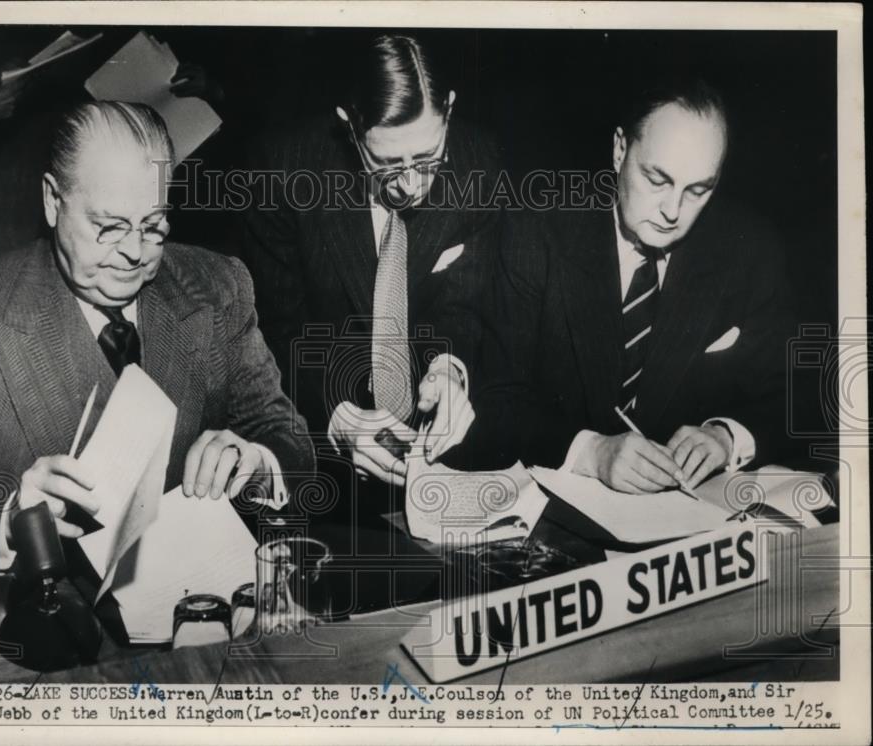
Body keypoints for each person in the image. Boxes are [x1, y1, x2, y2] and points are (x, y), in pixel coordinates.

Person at [0, 101, 314, 583]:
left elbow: (290, 442)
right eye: (108, 227)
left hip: (191, 604)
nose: (134, 253)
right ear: (52, 202)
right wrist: (14, 513)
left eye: (153, 225)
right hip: (37, 616)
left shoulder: (218, 285)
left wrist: (257, 462)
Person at [476, 76, 795, 493]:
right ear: (619, 149)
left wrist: (726, 436)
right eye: (657, 179)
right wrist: (592, 454)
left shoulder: (750, 250)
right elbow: (492, 398)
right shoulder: (536, 233)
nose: (672, 210)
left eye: (698, 190)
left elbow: (796, 394)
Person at [242, 34, 503, 503]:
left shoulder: (480, 164)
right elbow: (276, 330)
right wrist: (337, 413)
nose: (410, 185)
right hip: (325, 462)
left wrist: (449, 370)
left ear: (449, 108)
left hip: (436, 461)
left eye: (428, 159)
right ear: (349, 123)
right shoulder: (281, 171)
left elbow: (465, 303)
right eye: (385, 163)